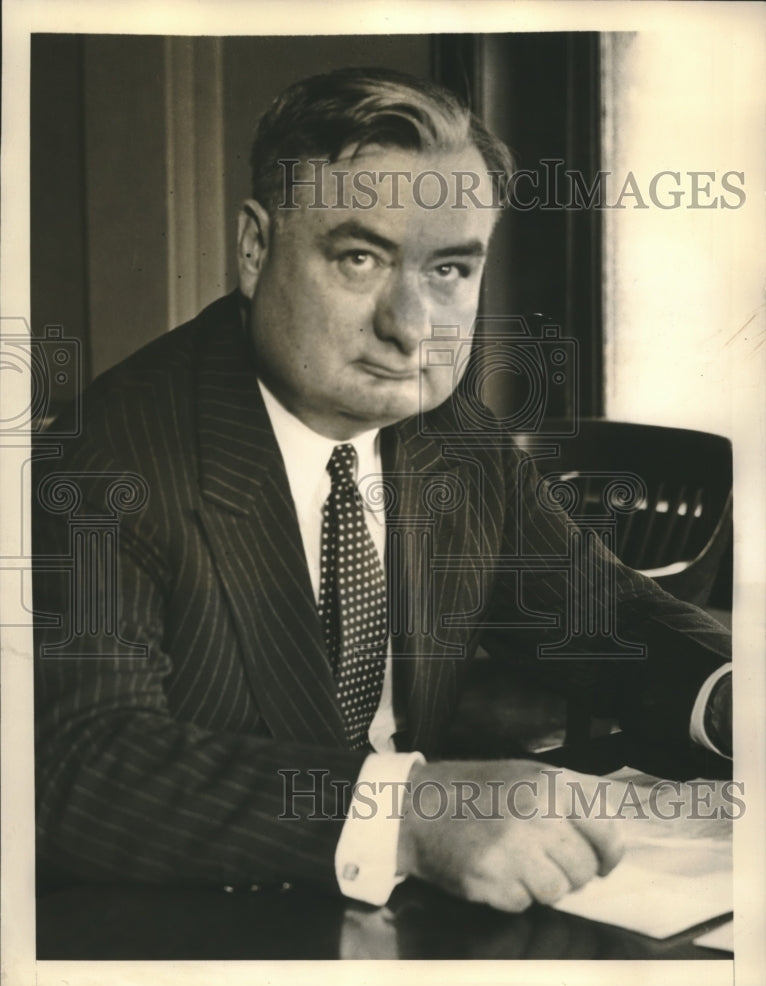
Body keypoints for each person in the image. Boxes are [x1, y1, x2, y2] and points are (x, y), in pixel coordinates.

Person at [33, 67, 732, 915]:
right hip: (198, 931)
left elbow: (603, 615)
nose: (410, 328)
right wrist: (404, 811)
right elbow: (77, 763)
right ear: (255, 250)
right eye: (360, 258)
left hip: (411, 921)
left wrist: (734, 695)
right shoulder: (108, 458)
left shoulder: (452, 438)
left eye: (449, 271)